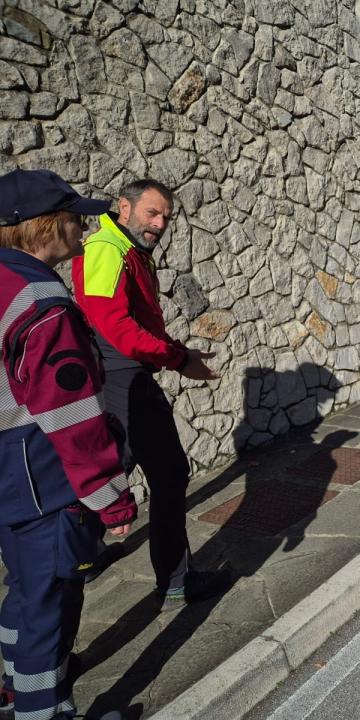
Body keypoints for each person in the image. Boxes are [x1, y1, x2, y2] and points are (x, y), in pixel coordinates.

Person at [0, 169, 136, 720]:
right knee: (47, 608)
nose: (84, 226)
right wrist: (113, 500)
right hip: (43, 479)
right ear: (45, 226)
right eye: (75, 216)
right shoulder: (41, 300)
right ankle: (42, 709)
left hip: (9, 478)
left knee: (23, 594)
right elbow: (71, 415)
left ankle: (12, 690)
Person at [71, 179, 223, 611]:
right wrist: (177, 359)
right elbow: (114, 328)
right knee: (168, 471)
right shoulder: (107, 248)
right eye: (152, 213)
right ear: (125, 206)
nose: (159, 223)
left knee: (117, 462)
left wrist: (176, 351)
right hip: (121, 370)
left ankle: (83, 552)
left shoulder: (128, 249)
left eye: (166, 217)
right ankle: (174, 580)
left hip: (124, 370)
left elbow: (138, 323)